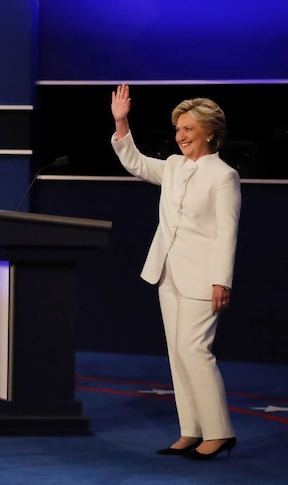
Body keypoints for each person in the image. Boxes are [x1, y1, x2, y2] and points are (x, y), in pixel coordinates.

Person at [110, 84, 240, 460]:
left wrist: (222, 279)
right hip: (167, 273)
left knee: (194, 350)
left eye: (188, 129)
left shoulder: (224, 176)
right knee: (177, 353)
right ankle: (191, 430)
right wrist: (121, 122)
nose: (180, 136)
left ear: (210, 132)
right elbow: (133, 161)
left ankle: (219, 432)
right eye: (179, 129)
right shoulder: (172, 166)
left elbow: (227, 232)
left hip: (203, 277)